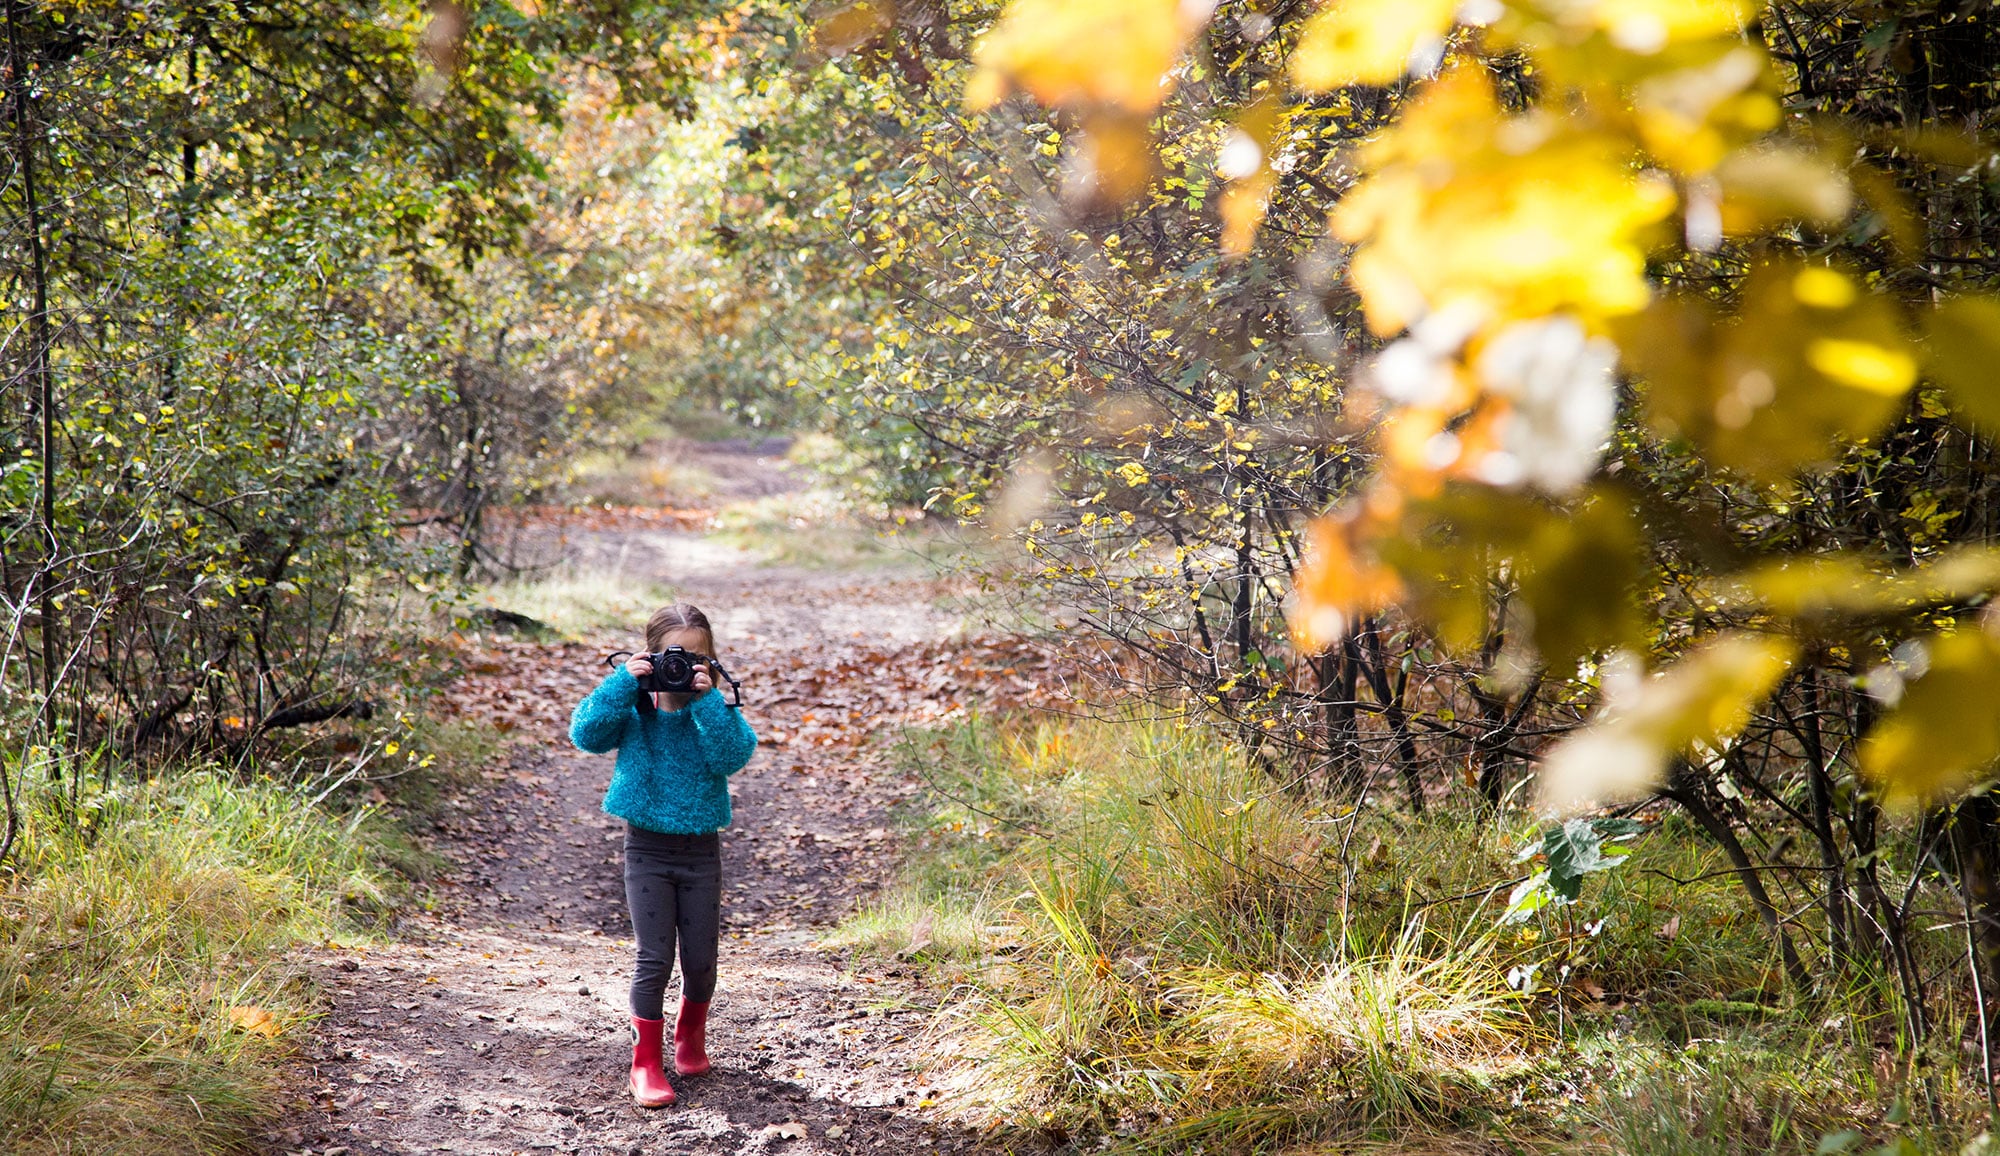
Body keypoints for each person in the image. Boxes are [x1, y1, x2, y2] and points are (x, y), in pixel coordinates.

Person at [569, 603, 757, 1109]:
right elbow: (585, 735)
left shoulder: (712, 709)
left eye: (695, 657)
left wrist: (708, 701)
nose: (683, 665)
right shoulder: (634, 704)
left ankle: (689, 1037)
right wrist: (622, 683)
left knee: (701, 962)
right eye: (673, 656)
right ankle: (645, 1063)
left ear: (711, 659)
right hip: (646, 848)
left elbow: (733, 756)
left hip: (700, 850)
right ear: (652, 654)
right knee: (654, 957)